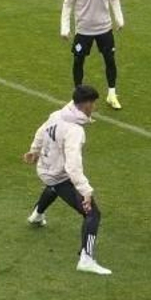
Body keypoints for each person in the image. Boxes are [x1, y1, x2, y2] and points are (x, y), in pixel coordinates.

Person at [22, 85, 111, 275]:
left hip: (46, 169)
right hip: (57, 174)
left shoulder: (57, 114)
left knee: (53, 187)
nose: (94, 107)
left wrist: (34, 151)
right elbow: (73, 165)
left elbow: (41, 131)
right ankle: (86, 259)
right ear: (86, 104)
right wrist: (85, 190)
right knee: (92, 214)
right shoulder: (75, 131)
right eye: (93, 103)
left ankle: (37, 215)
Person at [62, 0, 125, 110]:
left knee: (110, 60)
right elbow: (67, 4)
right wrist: (65, 27)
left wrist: (119, 17)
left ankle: (112, 94)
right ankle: (77, 98)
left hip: (105, 29)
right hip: (84, 31)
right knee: (78, 61)